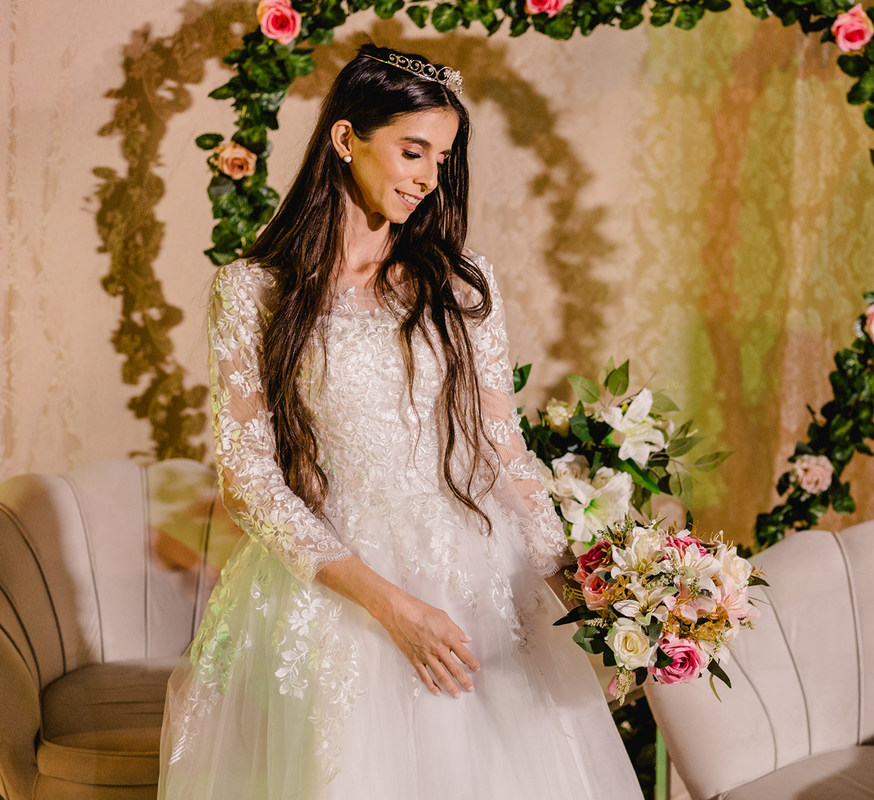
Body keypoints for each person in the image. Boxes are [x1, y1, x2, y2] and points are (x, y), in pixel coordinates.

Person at [158, 43, 642, 799]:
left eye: (441, 158)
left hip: (470, 577)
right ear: (346, 138)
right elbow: (249, 482)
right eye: (412, 150)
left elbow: (499, 447)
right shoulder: (252, 292)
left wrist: (574, 585)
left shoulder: (456, 284)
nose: (427, 177)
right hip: (334, 591)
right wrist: (388, 605)